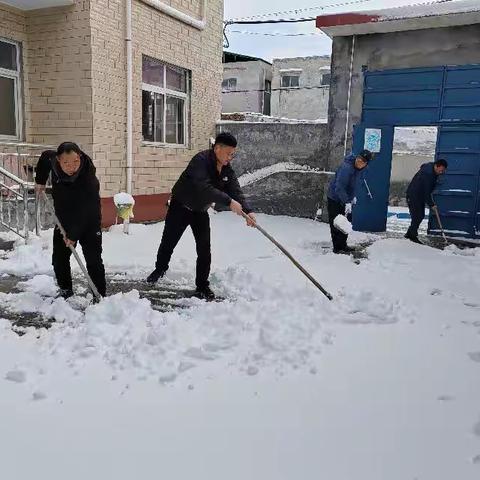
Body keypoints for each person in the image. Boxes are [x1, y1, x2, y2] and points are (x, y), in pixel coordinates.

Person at [146, 132, 256, 299]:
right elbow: (203, 188)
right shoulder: (200, 161)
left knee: (204, 249)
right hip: (180, 207)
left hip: (200, 211)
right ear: (217, 148)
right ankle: (160, 268)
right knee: (168, 241)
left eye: (233, 154)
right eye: (229, 153)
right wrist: (228, 202)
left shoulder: (227, 169)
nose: (230, 157)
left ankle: (202, 285)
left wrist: (248, 211)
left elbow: (235, 190)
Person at [35, 142, 106, 299]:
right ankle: (66, 290)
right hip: (64, 220)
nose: (72, 166)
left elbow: (87, 210)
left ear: (80, 157)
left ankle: (99, 294)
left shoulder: (88, 178)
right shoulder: (52, 160)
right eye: (66, 162)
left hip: (89, 221)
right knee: (59, 260)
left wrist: (73, 235)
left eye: (75, 161)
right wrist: (40, 180)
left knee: (93, 260)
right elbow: (44, 157)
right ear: (58, 160)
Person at [327, 149, 372, 254]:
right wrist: (346, 201)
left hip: (346, 199)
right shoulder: (347, 168)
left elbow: (353, 185)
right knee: (337, 223)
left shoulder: (360, 170)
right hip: (335, 198)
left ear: (366, 164)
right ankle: (337, 248)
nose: (359, 162)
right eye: (359, 159)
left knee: (346, 222)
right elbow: (339, 188)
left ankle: (343, 245)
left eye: (362, 162)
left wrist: (352, 197)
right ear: (357, 157)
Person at [405, 158, 448, 244]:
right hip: (414, 196)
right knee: (417, 216)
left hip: (418, 196)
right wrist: (432, 204)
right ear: (436, 166)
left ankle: (410, 233)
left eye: (443, 170)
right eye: (441, 170)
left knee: (419, 215)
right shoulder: (428, 174)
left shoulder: (431, 170)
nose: (442, 172)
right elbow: (426, 192)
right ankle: (412, 235)